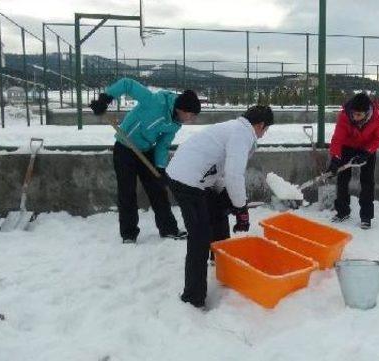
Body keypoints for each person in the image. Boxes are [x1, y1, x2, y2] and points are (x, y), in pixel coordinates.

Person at [166, 105, 274, 308]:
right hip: (187, 181)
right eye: (265, 129)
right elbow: (234, 174)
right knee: (199, 236)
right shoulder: (242, 134)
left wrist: (233, 202)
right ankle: (193, 297)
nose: (264, 134)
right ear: (260, 125)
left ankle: (222, 258)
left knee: (219, 204)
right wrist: (241, 209)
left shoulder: (234, 128)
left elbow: (218, 170)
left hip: (196, 177)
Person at [89, 78, 201, 243]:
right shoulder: (154, 101)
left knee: (158, 190)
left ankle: (169, 229)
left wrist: (160, 168)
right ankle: (128, 234)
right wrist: (106, 98)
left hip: (146, 151)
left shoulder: (175, 124)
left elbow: (163, 145)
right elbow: (127, 84)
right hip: (125, 147)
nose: (192, 119)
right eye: (191, 115)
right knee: (127, 192)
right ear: (181, 109)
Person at [327, 92, 379, 230]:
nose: (355, 117)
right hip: (348, 146)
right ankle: (342, 211)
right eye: (353, 114)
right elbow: (338, 139)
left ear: (367, 113)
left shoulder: (377, 116)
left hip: (368, 148)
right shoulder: (345, 116)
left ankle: (366, 216)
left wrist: (367, 152)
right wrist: (335, 158)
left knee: (367, 181)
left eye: (359, 115)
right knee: (342, 179)